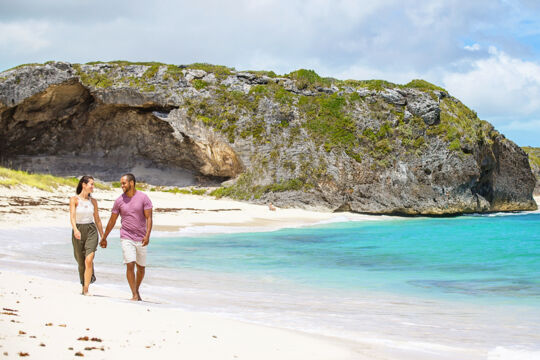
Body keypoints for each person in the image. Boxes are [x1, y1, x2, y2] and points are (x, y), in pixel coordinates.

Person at [100, 173, 153, 301]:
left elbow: (149, 218)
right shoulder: (119, 201)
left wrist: (147, 235)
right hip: (126, 236)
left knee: (141, 268)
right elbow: (112, 221)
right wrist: (104, 237)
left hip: (141, 237)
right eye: (121, 183)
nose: (122, 186)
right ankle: (134, 294)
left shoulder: (144, 198)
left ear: (132, 183)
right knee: (130, 264)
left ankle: (136, 289)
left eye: (124, 183)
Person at [69, 175, 104, 295]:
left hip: (91, 230)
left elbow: (98, 220)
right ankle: (84, 282)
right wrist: (75, 230)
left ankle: (86, 289)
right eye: (91, 184)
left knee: (89, 259)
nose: (93, 186)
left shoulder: (93, 201)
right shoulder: (74, 199)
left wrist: (103, 236)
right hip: (78, 229)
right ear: (84, 185)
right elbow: (72, 217)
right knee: (81, 261)